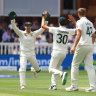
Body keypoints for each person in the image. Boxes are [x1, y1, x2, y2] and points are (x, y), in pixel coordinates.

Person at [8, 11, 48, 89]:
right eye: (26, 26)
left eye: (29, 26)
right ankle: (23, 85)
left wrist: (46, 20)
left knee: (38, 70)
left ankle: (34, 69)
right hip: (23, 54)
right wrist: (12, 20)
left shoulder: (34, 34)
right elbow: (14, 27)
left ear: (31, 27)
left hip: (32, 54)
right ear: (25, 27)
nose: (28, 27)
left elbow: (42, 29)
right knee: (22, 69)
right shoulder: (21, 33)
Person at [42, 11, 76, 90]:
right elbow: (78, 30)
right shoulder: (68, 31)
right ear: (65, 23)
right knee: (55, 69)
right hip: (64, 53)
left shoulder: (55, 29)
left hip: (56, 51)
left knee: (51, 69)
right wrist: (74, 21)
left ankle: (62, 74)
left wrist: (43, 17)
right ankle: (53, 85)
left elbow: (43, 26)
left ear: (59, 22)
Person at [66, 8, 96, 92]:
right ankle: (93, 87)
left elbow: (78, 34)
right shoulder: (90, 23)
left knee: (75, 64)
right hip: (89, 45)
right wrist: (91, 44)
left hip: (82, 45)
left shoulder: (80, 22)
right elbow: (93, 36)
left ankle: (74, 86)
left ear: (78, 14)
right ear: (85, 13)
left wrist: (74, 46)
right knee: (90, 67)